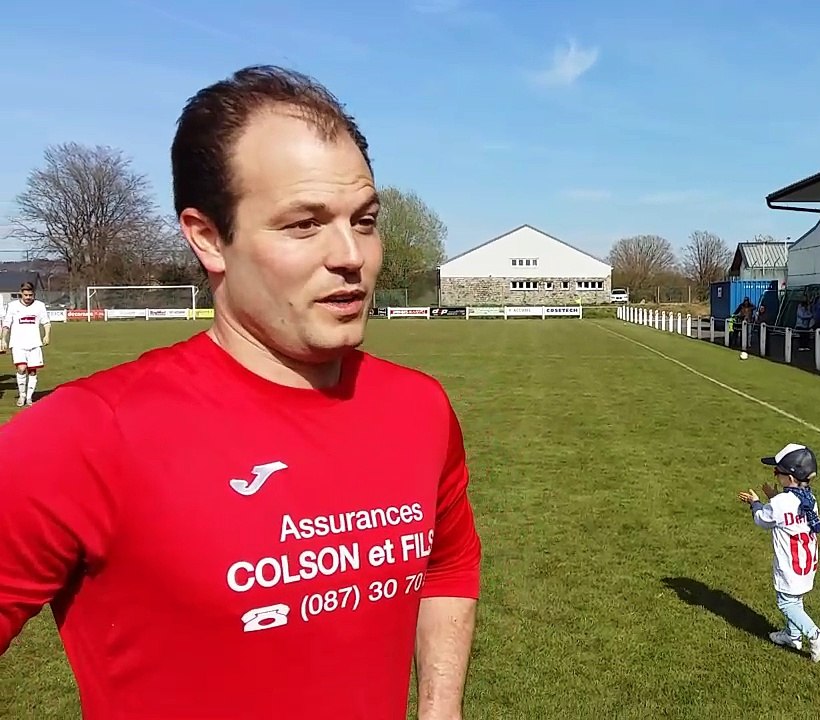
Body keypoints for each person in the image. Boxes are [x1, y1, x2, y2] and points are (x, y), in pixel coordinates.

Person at [0, 66, 482, 720]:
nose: (352, 255)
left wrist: (439, 708)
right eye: (304, 224)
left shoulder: (420, 408)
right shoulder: (82, 436)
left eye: (364, 220)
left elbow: (448, 564)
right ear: (207, 238)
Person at [738, 443, 820, 663]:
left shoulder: (781, 502)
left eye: (777, 471)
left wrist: (755, 503)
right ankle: (792, 636)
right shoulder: (808, 499)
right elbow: (787, 510)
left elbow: (763, 520)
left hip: (790, 564)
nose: (774, 474)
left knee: (786, 603)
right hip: (806, 563)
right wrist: (773, 496)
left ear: (789, 477)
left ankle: (815, 635)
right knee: (794, 599)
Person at [0, 281, 51, 407]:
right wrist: (3, 339)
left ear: (34, 294)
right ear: (21, 294)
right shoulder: (12, 306)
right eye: (26, 295)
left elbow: (46, 322)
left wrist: (46, 335)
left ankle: (29, 397)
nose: (28, 298)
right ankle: (22, 396)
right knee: (21, 368)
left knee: (32, 371)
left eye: (31, 295)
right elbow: (7, 323)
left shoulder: (39, 306)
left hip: (34, 343)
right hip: (18, 343)